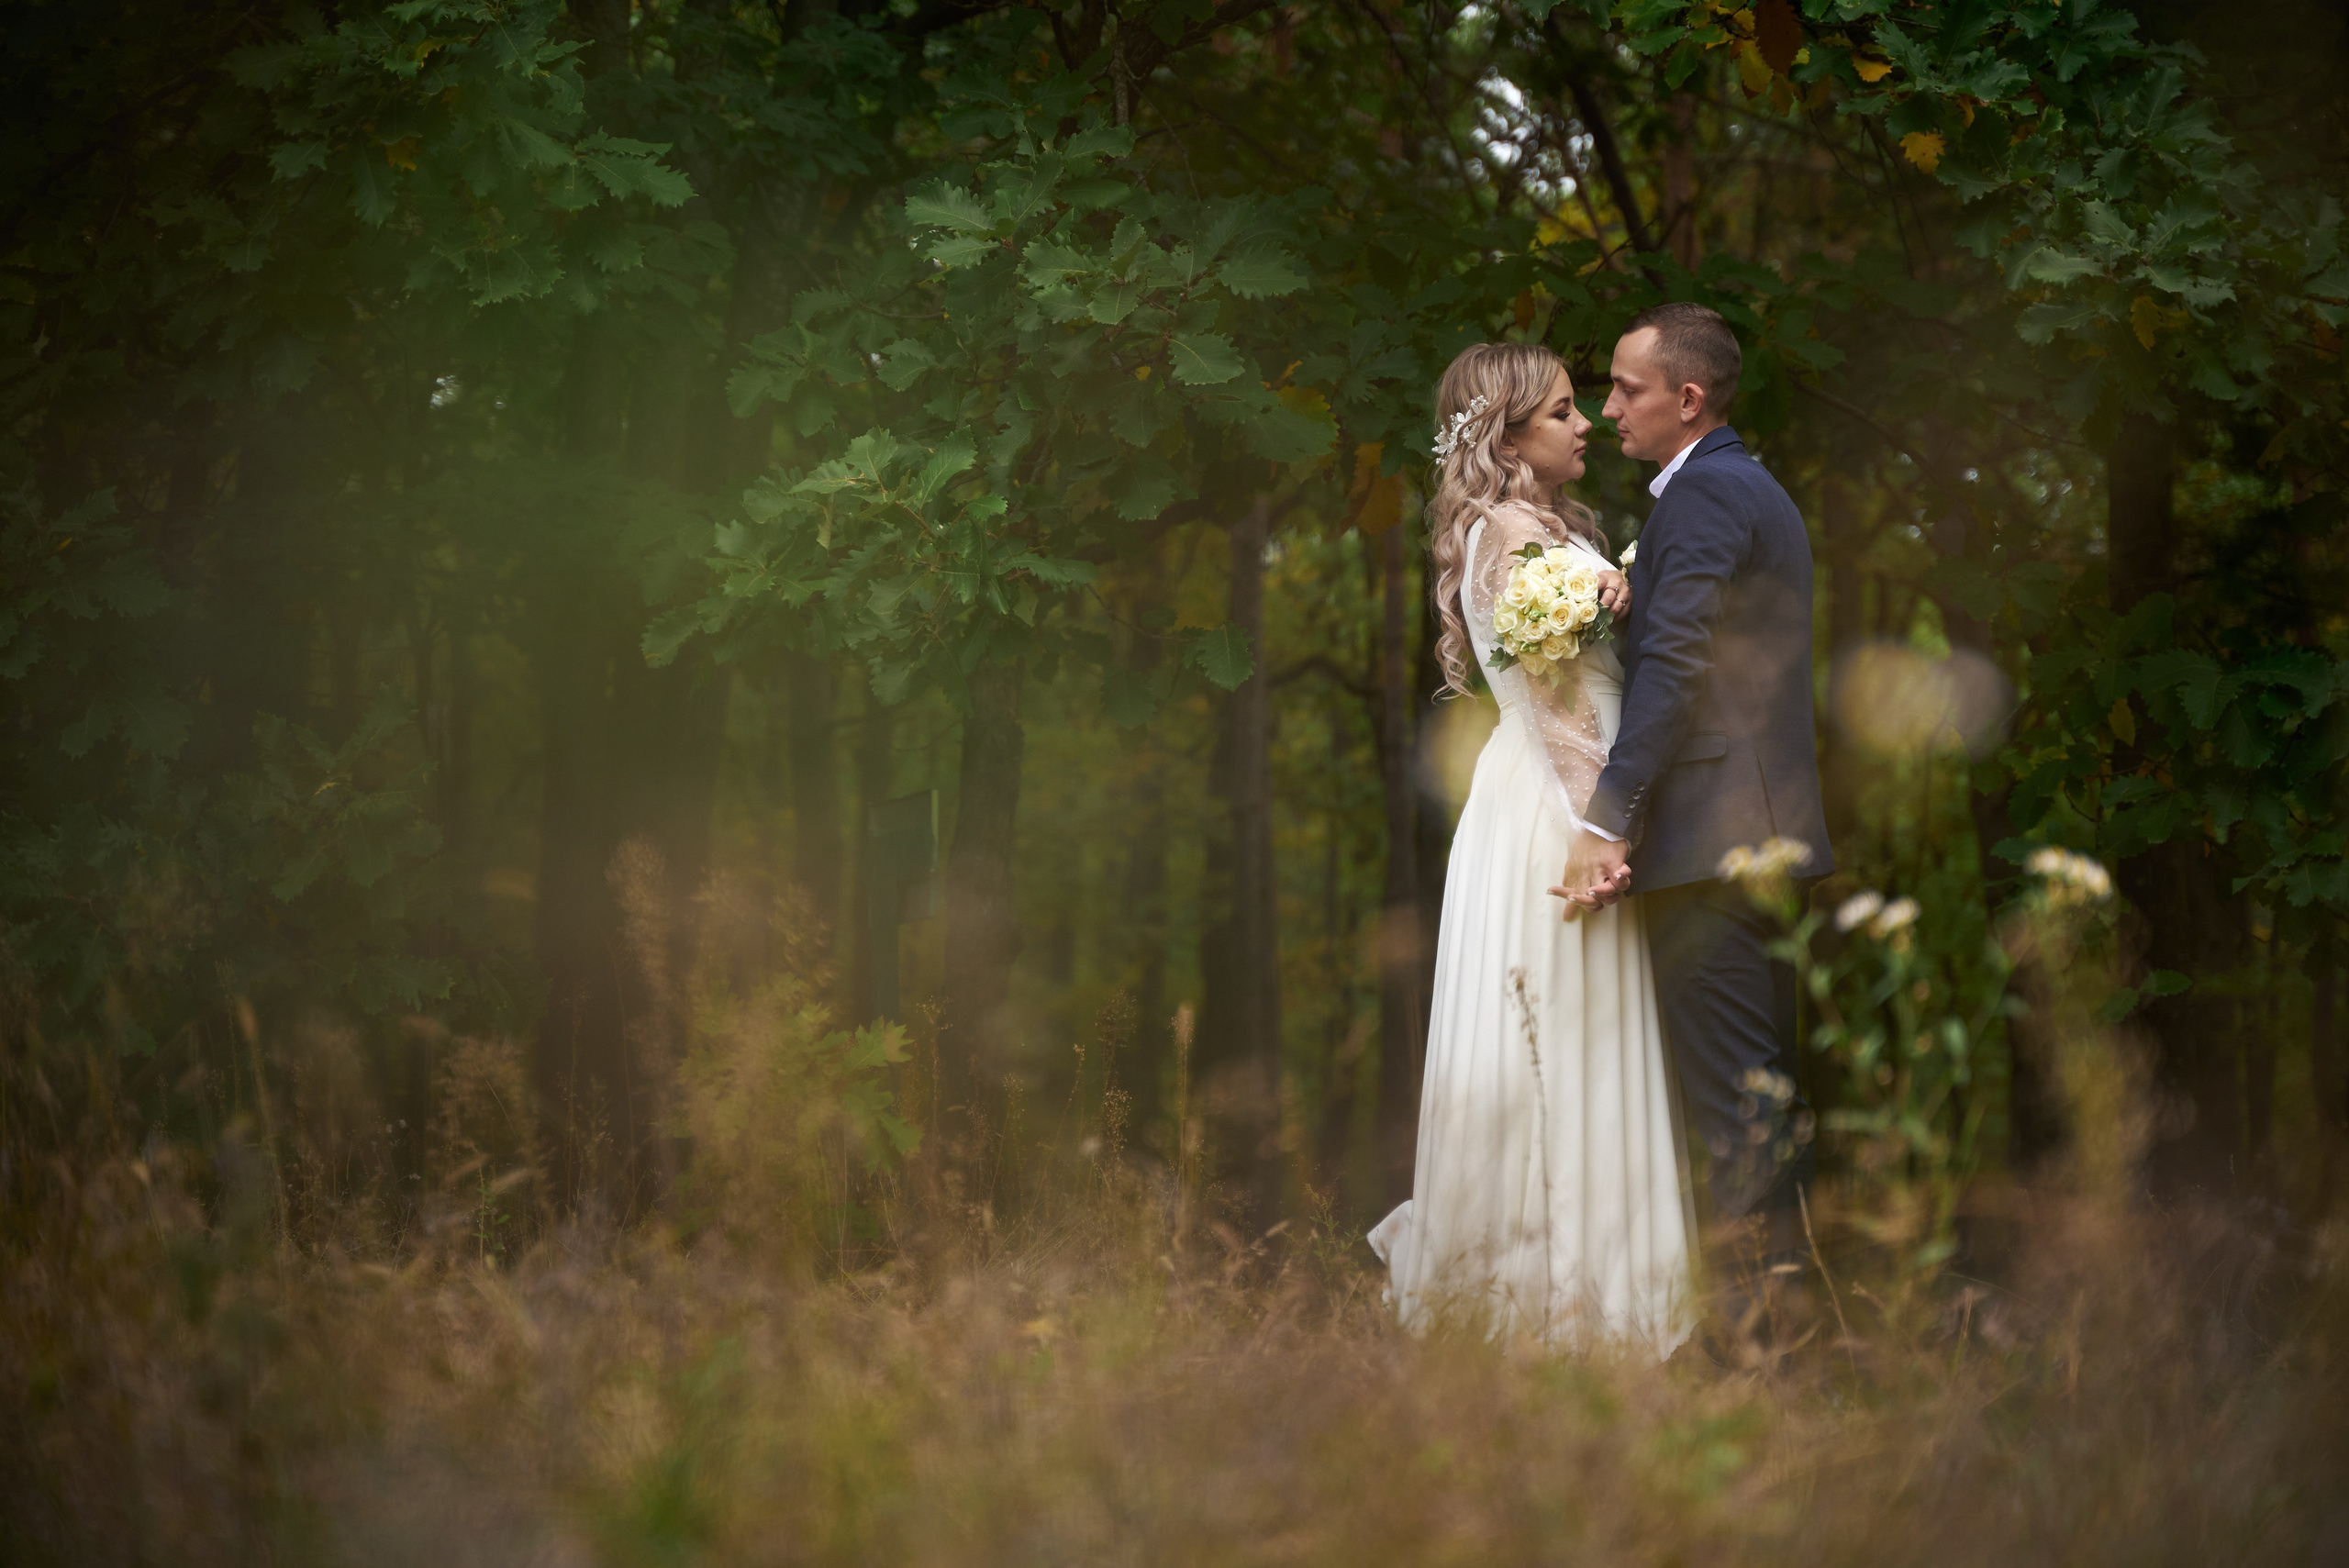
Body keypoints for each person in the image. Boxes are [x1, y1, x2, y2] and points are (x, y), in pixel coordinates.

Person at [1368, 340, 1696, 1360]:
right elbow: (1557, 707)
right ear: (1507, 436)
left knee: (1572, 1033)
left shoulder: (1544, 527)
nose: (1585, 421)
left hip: (1559, 797)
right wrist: (1602, 828)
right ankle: (1562, 1306)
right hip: (1556, 804)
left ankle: (1566, 1295)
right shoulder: (1508, 533)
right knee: (1562, 1033)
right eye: (1560, 411)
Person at [1555, 302, 1835, 1320]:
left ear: (1687, 398)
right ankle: (1784, 1330)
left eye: (1625, 389)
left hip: (1713, 844)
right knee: (1759, 1099)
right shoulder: (1742, 486)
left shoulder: (1707, 492)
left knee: (1734, 1111)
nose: (1607, 408)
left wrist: (1606, 818)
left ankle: (1757, 1346)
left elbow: (1673, 666)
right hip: (1753, 837)